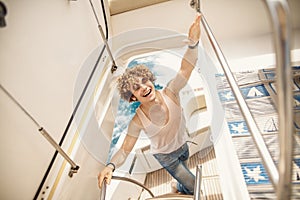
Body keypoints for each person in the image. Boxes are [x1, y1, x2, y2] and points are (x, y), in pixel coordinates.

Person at [98, 14, 201, 195]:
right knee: (195, 186)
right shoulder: (138, 120)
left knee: (185, 180)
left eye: (145, 80)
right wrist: (110, 166)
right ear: (133, 97)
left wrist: (193, 44)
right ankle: (182, 186)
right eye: (137, 88)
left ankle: (177, 187)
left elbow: (186, 67)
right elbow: (124, 151)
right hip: (167, 158)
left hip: (183, 146)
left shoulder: (171, 92)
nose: (144, 87)